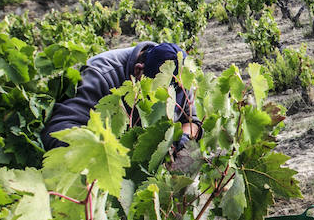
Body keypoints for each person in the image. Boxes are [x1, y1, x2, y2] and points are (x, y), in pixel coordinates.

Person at [41, 41, 199, 152]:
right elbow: (58, 129)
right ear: (138, 71)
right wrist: (104, 154)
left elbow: (192, 121)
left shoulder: (177, 77)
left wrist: (184, 137)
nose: (168, 101)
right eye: (158, 94)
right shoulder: (101, 75)